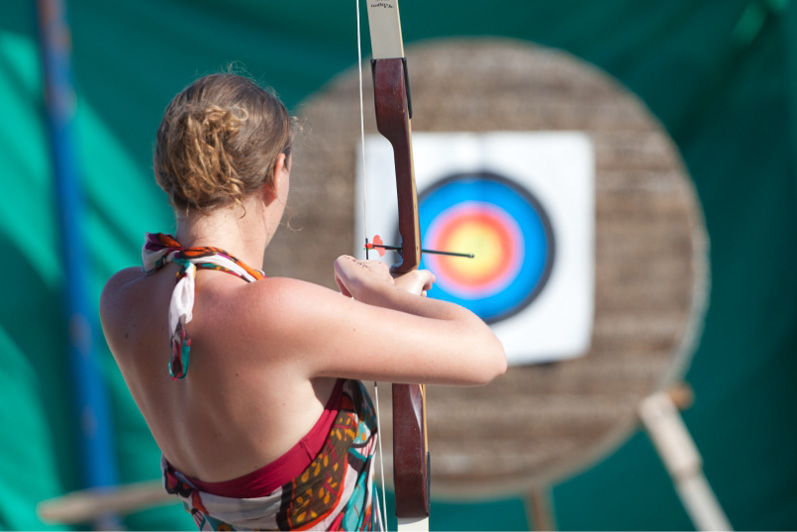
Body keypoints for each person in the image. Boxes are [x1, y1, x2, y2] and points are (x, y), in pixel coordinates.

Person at [100, 72, 506, 531]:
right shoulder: (278, 313)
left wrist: (369, 310)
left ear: (162, 172)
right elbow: (486, 355)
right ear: (277, 173)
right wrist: (381, 294)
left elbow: (272, 364)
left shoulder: (120, 301)